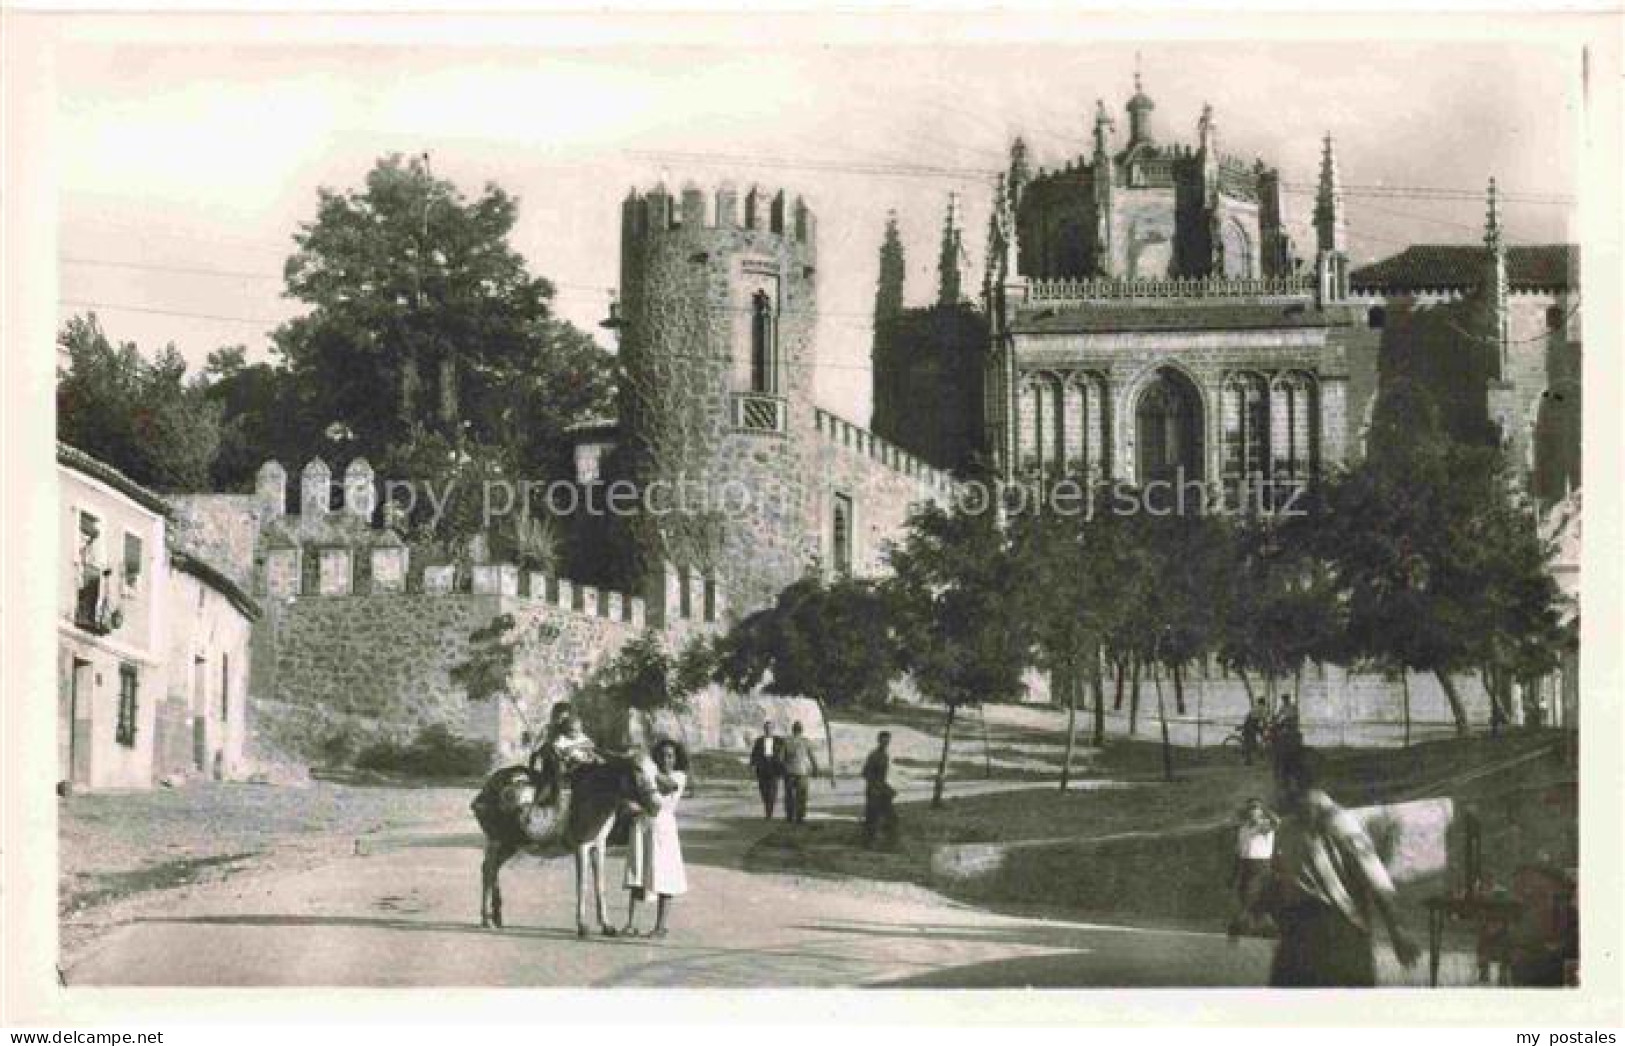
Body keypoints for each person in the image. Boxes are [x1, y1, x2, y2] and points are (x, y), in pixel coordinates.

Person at [1261, 753, 1420, 986]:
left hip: (1339, 935)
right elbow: (1282, 880)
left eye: (1277, 782)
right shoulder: (1287, 828)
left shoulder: (1339, 822)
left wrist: (1398, 931)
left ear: (1290, 783)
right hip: (1297, 936)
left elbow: (1376, 879)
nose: (1273, 790)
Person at [620, 738, 689, 938]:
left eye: (670, 756)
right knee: (637, 873)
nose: (666, 759)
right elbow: (631, 795)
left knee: (664, 876)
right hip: (642, 825)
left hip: (664, 829)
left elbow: (666, 788)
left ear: (676, 759)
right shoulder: (647, 775)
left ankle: (661, 926)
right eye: (662, 755)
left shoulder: (679, 777)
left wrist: (644, 766)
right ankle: (630, 923)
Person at [528, 702, 601, 807]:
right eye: (556, 717)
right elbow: (536, 750)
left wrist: (577, 748)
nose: (559, 721)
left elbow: (587, 744)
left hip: (574, 766)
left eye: (563, 718)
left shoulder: (571, 730)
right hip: (552, 767)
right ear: (552, 717)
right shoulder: (547, 730)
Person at [1228, 797, 1279, 938]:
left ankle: (1239, 926)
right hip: (1246, 865)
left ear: (1260, 812)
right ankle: (1260, 927)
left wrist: (1266, 811)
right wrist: (1234, 873)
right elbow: (1240, 852)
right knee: (1245, 896)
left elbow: (1277, 822)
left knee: (1251, 896)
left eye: (1255, 809)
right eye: (1249, 809)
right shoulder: (1243, 828)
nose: (1251, 812)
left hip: (1261, 866)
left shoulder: (1264, 825)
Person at [861, 731, 898, 847]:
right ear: (878, 740)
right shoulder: (874, 755)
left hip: (881, 789)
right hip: (874, 790)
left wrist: (888, 788)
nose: (885, 743)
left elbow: (885, 775)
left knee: (890, 816)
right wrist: (875, 787)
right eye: (883, 740)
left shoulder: (885, 756)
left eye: (887, 741)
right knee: (873, 817)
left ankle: (887, 841)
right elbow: (865, 773)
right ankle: (869, 841)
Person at [781, 721, 818, 825]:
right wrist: (816, 769)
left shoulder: (786, 741)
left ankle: (789, 816)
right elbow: (811, 757)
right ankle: (800, 817)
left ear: (793, 729)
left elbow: (781, 757)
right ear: (801, 730)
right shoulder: (806, 741)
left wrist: (782, 768)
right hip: (802, 772)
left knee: (789, 796)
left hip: (789, 772)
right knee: (801, 795)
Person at [748, 720, 786, 820]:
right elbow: (754, 754)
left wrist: (783, 766)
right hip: (762, 769)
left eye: (770, 728)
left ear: (773, 729)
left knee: (772, 791)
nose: (768, 730)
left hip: (774, 769)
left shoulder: (779, 740)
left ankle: (769, 812)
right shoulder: (759, 740)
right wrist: (752, 764)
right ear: (764, 729)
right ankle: (767, 807)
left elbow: (784, 754)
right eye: (766, 728)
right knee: (763, 791)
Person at [1240, 700, 1267, 766]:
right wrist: (1265, 725)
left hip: (1249, 723)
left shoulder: (1255, 707)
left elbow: (1249, 716)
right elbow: (1263, 718)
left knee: (1259, 734)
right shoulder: (1262, 708)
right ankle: (1248, 760)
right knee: (1251, 741)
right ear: (1263, 703)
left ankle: (1259, 749)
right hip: (1251, 724)